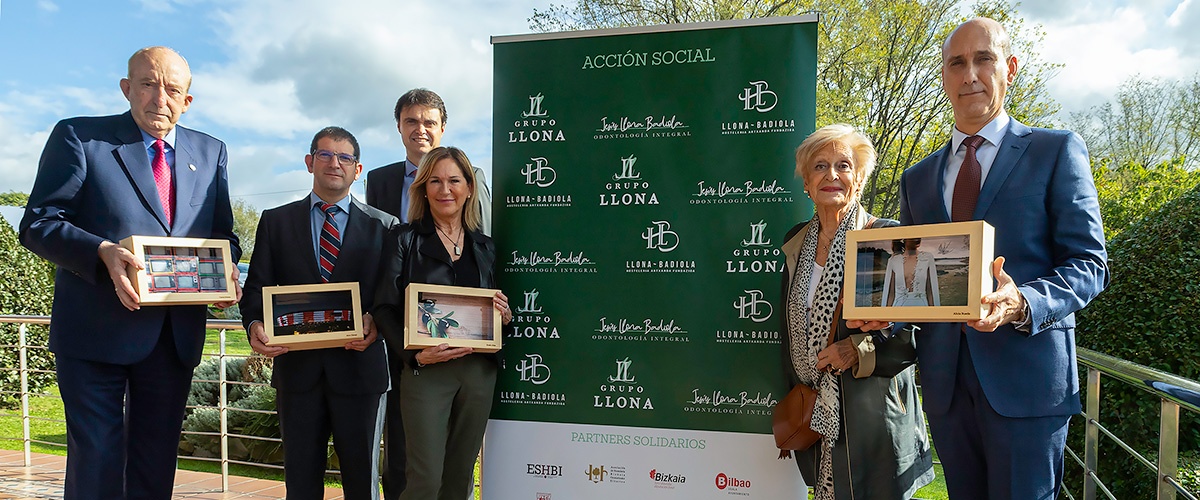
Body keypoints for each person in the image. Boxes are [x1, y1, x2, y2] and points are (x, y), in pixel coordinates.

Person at [889, 17, 1108, 499]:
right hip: (946, 391)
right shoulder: (918, 179)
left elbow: (1090, 263)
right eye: (957, 63)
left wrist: (1022, 302)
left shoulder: (1056, 151)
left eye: (983, 59)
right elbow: (913, 278)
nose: (970, 74)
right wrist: (882, 317)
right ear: (944, 77)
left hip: (1028, 386)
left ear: (1009, 67)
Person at [19, 46, 241, 498]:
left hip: (173, 336)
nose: (160, 98)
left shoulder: (211, 151)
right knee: (97, 459)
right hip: (94, 332)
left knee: (154, 462)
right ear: (127, 88)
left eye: (173, 89)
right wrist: (100, 251)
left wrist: (224, 271)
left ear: (187, 101)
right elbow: (39, 223)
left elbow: (223, 235)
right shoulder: (80, 137)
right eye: (148, 84)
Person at [240, 127, 397, 499]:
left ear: (357, 170)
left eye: (344, 158)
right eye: (325, 155)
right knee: (300, 479)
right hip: (297, 373)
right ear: (309, 162)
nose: (334, 164)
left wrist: (375, 320)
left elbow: (391, 296)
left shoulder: (385, 227)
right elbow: (256, 289)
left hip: (360, 373)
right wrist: (254, 325)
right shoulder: (276, 222)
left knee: (362, 481)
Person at [780, 124, 933, 499]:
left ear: (859, 178)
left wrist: (856, 349)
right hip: (818, 409)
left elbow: (916, 326)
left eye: (843, 165)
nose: (831, 175)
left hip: (874, 421)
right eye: (819, 166)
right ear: (806, 182)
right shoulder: (796, 241)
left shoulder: (886, 237)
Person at [365, 89, 492, 499]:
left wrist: (502, 313)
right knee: (423, 481)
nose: (445, 189)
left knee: (458, 481)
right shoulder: (404, 239)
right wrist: (412, 354)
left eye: (454, 180)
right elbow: (384, 305)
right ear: (422, 188)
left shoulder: (485, 247)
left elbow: (493, 306)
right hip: (424, 368)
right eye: (434, 181)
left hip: (478, 372)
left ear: (469, 188)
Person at [881, 238, 941, 306]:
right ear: (904, 239)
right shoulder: (894, 260)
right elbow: (891, 294)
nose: (917, 238)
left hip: (921, 308)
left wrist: (934, 314)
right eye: (913, 236)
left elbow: (931, 292)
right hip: (899, 309)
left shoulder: (927, 258)